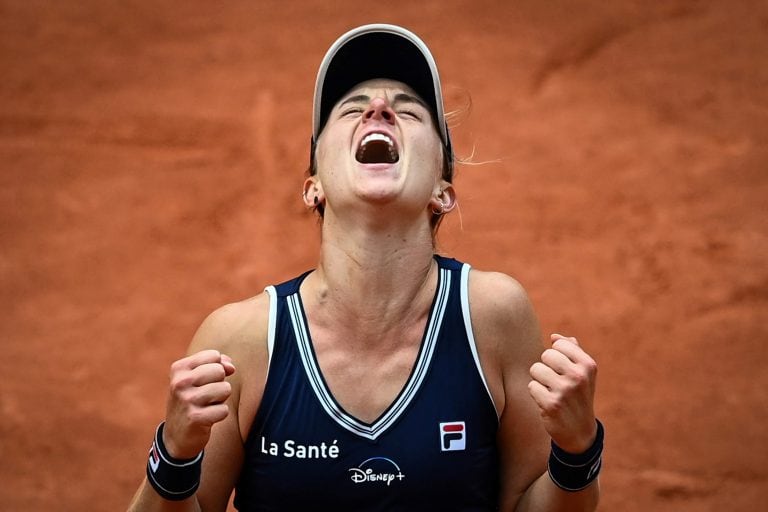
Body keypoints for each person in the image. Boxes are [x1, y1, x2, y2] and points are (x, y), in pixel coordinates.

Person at [128, 24, 603, 512]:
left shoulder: (493, 317)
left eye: (410, 111)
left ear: (444, 192)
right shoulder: (242, 341)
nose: (379, 110)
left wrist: (576, 451)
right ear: (314, 186)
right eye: (352, 109)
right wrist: (175, 458)